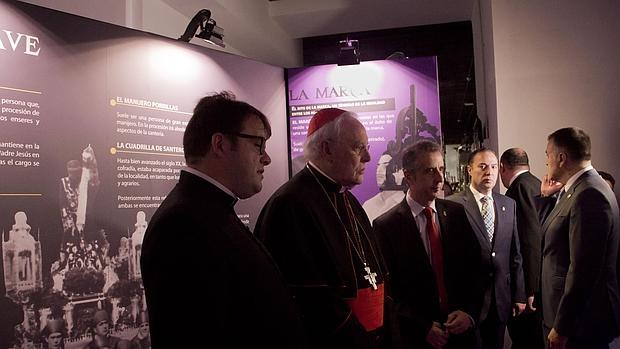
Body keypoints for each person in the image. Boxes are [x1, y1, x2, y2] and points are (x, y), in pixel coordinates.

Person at [140, 92, 307, 349]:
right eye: (258, 144)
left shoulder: (207, 210)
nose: (267, 157)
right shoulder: (182, 224)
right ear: (220, 144)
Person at [255, 108, 387, 348]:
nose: (368, 157)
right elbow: (312, 304)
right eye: (359, 147)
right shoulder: (290, 205)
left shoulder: (350, 201)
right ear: (327, 149)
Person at [373, 140, 482, 349]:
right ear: (409, 176)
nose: (440, 178)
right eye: (430, 171)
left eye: (441, 169)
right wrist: (421, 327)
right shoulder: (386, 227)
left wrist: (469, 313)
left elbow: (476, 270)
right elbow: (388, 293)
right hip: (416, 340)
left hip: (461, 337)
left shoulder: (456, 214)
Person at [540, 127, 620, 349]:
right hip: (570, 318)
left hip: (578, 324)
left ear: (561, 158)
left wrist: (562, 326)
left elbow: (584, 270)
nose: (546, 160)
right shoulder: (578, 190)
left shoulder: (589, 194)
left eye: (547, 154)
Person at [447, 148, 526, 349]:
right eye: (482, 167)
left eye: (493, 167)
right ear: (469, 170)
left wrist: (519, 294)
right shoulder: (452, 205)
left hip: (501, 298)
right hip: (468, 302)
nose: (489, 172)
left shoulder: (508, 204)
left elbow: (515, 253)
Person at [499, 148, 544, 349]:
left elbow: (529, 240)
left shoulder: (519, 189)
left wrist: (529, 288)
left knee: (526, 339)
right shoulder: (536, 184)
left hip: (527, 285)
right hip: (539, 278)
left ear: (502, 168)